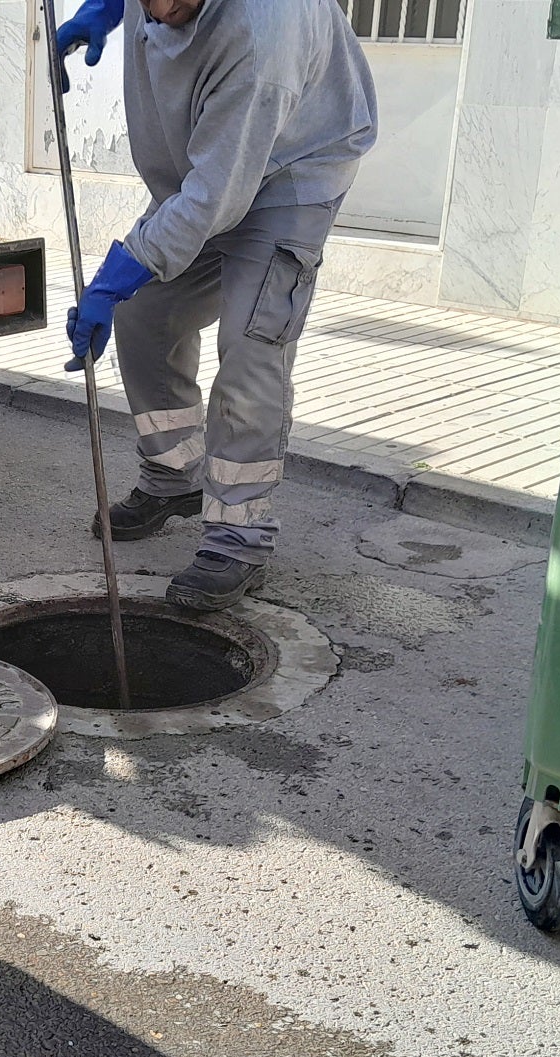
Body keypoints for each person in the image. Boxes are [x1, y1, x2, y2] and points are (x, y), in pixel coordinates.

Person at [55, 0, 377, 610]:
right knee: (145, 314)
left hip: (290, 173)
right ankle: (172, 476)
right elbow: (205, 188)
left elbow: (214, 199)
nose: (160, 8)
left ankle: (240, 533)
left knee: (252, 347)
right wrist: (103, 7)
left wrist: (114, 272)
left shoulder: (262, 40)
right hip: (204, 170)